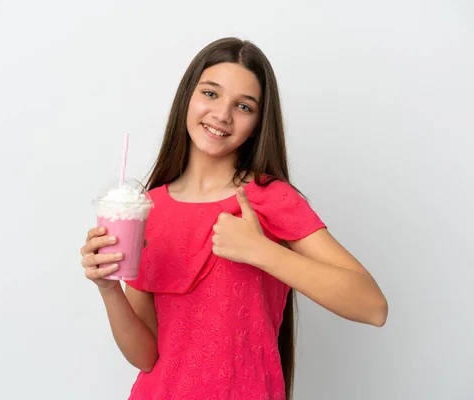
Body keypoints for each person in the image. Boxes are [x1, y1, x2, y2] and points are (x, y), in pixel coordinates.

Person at [80, 37, 388, 400]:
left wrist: (261, 251)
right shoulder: (146, 208)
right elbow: (146, 358)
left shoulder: (269, 197)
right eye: (210, 94)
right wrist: (109, 288)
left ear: (258, 123)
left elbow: (373, 307)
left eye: (243, 106)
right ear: (187, 100)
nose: (222, 114)